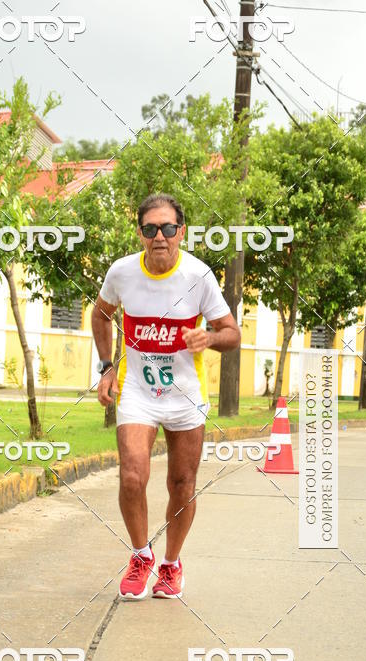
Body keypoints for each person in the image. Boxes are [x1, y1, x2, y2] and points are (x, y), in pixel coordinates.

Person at [91, 193, 240, 600]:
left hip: (184, 396)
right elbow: (101, 314)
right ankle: (141, 556)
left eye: (169, 228)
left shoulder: (198, 276)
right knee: (133, 476)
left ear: (181, 232)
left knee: (182, 483)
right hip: (138, 390)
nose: (160, 236)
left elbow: (232, 333)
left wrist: (208, 337)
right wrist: (107, 367)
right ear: (140, 233)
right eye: (151, 228)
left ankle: (171, 565)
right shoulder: (122, 272)